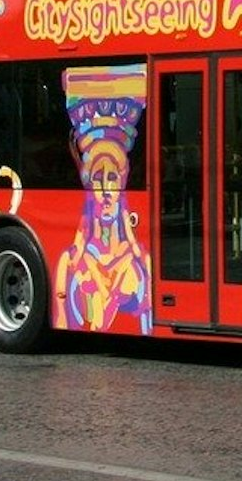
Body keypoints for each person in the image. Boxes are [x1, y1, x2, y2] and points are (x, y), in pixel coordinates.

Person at [54, 65, 151, 332]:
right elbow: (62, 317)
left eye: (113, 179)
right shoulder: (71, 262)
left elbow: (147, 321)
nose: (107, 191)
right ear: (89, 184)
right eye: (99, 179)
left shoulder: (140, 261)